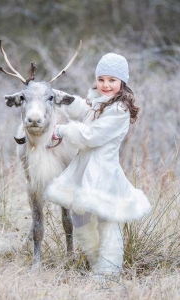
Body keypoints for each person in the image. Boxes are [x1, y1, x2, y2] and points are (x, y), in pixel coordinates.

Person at [44, 53, 151, 276]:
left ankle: (108, 273)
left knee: (108, 223)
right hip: (86, 171)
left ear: (122, 82)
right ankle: (96, 262)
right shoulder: (101, 102)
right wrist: (67, 100)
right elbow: (87, 110)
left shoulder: (119, 110)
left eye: (112, 80)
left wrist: (62, 130)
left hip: (104, 173)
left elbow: (91, 135)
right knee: (80, 217)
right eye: (101, 79)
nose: (106, 85)